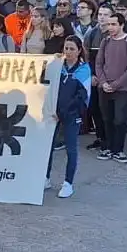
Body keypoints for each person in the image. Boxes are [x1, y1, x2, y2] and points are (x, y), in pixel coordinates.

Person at [47, 36, 91, 198]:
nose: (68, 52)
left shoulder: (84, 70)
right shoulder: (58, 66)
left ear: (79, 50)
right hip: (54, 113)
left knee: (70, 149)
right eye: (66, 48)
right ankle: (46, 178)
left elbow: (82, 98)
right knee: (48, 147)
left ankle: (68, 183)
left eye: (72, 49)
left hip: (72, 116)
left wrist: (67, 111)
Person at [95, 10, 127, 163]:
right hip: (105, 87)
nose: (111, 28)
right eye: (108, 25)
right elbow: (99, 63)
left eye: (114, 24)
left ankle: (118, 150)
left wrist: (115, 84)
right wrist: (103, 82)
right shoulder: (105, 41)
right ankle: (106, 147)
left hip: (122, 88)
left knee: (119, 120)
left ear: (121, 25)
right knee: (106, 118)